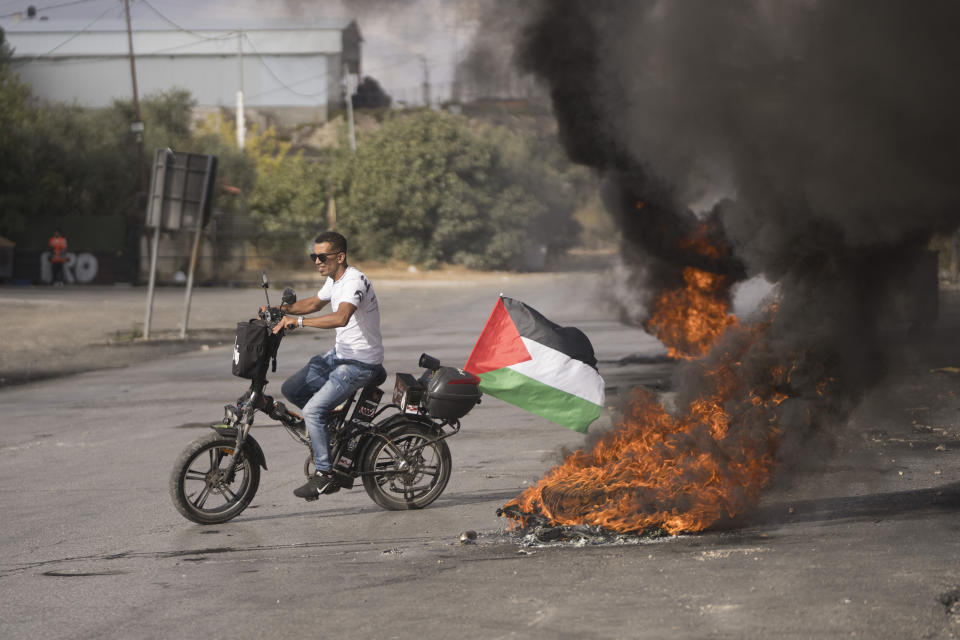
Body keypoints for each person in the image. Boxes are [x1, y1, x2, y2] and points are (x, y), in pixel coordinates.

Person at [270, 231, 385, 500]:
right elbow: (313, 302)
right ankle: (330, 430)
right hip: (341, 354)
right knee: (293, 389)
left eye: (322, 256)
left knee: (312, 410)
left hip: (361, 362)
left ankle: (325, 475)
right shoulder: (334, 280)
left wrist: (296, 323)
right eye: (314, 256)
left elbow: (341, 317)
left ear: (340, 257)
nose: (317, 261)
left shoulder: (352, 281)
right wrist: (280, 310)